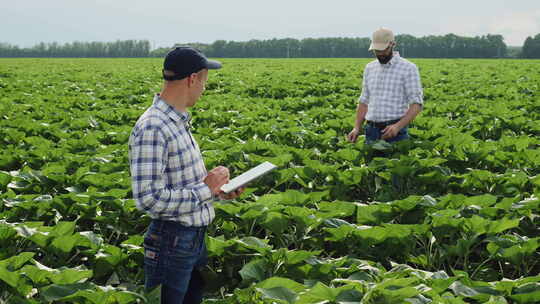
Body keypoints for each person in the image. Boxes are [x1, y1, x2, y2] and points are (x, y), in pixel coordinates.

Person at [128, 46, 243, 303]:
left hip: (190, 240)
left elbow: (183, 185)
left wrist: (218, 191)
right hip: (171, 242)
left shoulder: (176, 121)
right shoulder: (153, 126)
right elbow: (148, 199)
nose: (204, 88)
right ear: (193, 79)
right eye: (204, 80)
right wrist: (206, 188)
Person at [347, 28, 424, 144]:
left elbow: (416, 104)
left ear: (392, 44)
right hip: (371, 131)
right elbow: (363, 102)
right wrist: (357, 127)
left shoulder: (408, 68)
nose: (380, 54)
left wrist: (397, 126)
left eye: (383, 50)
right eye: (376, 50)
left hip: (395, 132)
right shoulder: (370, 68)